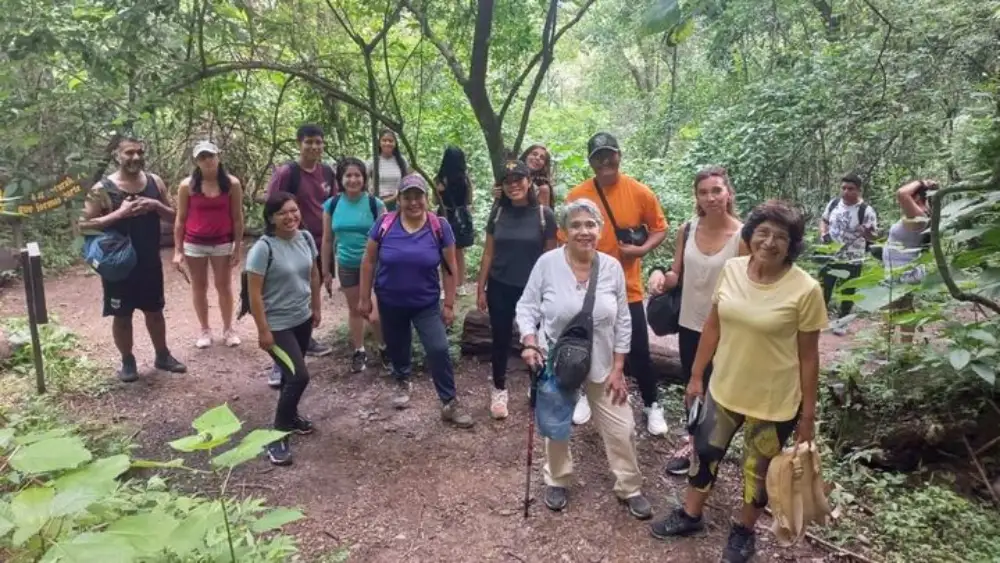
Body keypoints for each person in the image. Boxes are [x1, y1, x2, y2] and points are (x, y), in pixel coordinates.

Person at [649, 201, 827, 563]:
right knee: (705, 452)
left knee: (759, 471)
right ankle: (690, 515)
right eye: (763, 232)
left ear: (792, 245)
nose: (770, 242)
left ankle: (744, 532)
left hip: (775, 399)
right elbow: (713, 325)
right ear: (750, 235)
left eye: (781, 236)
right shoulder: (731, 269)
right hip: (724, 387)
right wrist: (697, 375)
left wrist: (807, 417)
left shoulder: (806, 289)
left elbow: (809, 357)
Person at [516, 198, 653, 520]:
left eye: (590, 224)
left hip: (604, 363)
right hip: (556, 360)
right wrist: (530, 341)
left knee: (623, 428)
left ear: (600, 229)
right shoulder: (547, 264)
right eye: (575, 225)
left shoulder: (612, 267)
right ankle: (557, 478)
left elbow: (622, 319)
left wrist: (620, 367)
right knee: (556, 425)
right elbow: (527, 307)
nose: (583, 231)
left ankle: (629, 486)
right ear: (563, 231)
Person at [562, 132, 669, 436]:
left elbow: (659, 229)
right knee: (586, 342)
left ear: (619, 155)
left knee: (637, 348)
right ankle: (584, 395)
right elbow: (564, 239)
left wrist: (642, 250)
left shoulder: (639, 192)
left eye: (610, 155)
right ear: (591, 162)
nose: (605, 162)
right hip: (587, 284)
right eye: (598, 157)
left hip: (627, 285)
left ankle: (652, 404)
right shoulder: (577, 196)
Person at [647, 166, 749, 476]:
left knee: (719, 386)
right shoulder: (688, 230)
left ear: (728, 193)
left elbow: (747, 284)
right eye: (703, 192)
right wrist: (660, 275)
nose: (711, 197)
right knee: (693, 384)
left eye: (716, 190)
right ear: (697, 197)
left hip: (726, 326)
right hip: (690, 322)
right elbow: (677, 273)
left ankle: (712, 446)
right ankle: (693, 442)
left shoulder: (743, 235)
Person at [358, 174, 474, 428]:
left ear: (426, 198)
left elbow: (450, 267)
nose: (413, 202)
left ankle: (449, 402)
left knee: (438, 348)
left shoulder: (438, 226)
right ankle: (402, 379)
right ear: (398, 199)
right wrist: (365, 298)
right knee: (398, 346)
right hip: (390, 300)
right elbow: (368, 261)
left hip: (426, 302)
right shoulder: (385, 223)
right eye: (407, 197)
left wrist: (449, 303)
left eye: (417, 196)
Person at [79, 136, 187, 382]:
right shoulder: (102, 189)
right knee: (122, 314)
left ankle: (163, 355)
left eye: (139, 152)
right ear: (118, 155)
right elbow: (83, 226)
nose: (135, 157)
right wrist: (120, 213)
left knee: (155, 311)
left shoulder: (154, 182)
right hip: (118, 264)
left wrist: (156, 206)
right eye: (129, 153)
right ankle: (128, 362)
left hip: (150, 262)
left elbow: (176, 217)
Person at [245, 192, 322, 466]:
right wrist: (262, 330)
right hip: (277, 326)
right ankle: (277, 434)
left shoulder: (305, 238)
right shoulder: (263, 248)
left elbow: (313, 273)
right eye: (282, 213)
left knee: (292, 377)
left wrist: (316, 306)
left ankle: (291, 417)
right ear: (271, 218)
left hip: (301, 319)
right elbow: (254, 294)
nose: (290, 217)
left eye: (293, 211)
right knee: (299, 376)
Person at [476, 160, 557, 419]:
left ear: (529, 181)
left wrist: (551, 291)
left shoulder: (545, 215)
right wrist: (481, 288)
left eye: (518, 180)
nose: (514, 186)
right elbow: (488, 253)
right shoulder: (498, 213)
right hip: (500, 285)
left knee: (537, 340)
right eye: (508, 182)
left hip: (533, 290)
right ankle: (499, 388)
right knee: (500, 339)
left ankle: (537, 386)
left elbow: (551, 256)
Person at [264, 124, 335, 386]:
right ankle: (279, 362)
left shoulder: (327, 172)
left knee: (308, 290)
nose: (314, 147)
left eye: (318, 142)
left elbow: (333, 205)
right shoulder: (287, 173)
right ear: (299, 144)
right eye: (309, 142)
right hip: (291, 242)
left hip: (319, 241)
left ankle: (303, 342)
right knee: (286, 294)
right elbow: (273, 205)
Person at [172, 140, 244, 349]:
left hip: (222, 241)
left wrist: (237, 246)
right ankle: (205, 330)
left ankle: (228, 329)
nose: (207, 160)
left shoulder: (232, 184)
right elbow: (181, 218)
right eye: (202, 157)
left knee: (224, 286)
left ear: (218, 156)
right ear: (197, 162)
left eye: (210, 155)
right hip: (194, 242)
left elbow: (237, 217)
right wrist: (178, 250)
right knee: (199, 286)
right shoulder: (188, 186)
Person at [321, 157, 387, 373]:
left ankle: (384, 346)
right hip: (347, 264)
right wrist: (326, 270)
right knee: (355, 310)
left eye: (357, 175)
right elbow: (327, 239)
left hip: (374, 265)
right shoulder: (332, 204)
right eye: (348, 175)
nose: (353, 179)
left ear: (364, 178)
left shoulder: (374, 204)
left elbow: (387, 238)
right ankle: (359, 350)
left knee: (374, 314)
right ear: (341, 178)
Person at [818, 172, 877, 336]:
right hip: (831, 255)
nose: (846, 192)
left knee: (847, 291)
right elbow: (824, 220)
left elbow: (873, 236)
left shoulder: (866, 210)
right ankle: (819, 320)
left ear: (858, 190)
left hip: (853, 258)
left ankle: (841, 323)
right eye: (843, 188)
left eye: (850, 188)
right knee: (824, 287)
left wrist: (866, 233)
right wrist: (824, 234)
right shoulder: (834, 203)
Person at [882, 179, 933, 344]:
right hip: (902, 269)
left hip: (902, 272)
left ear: (916, 198)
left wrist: (922, 182)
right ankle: (902, 348)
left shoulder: (919, 215)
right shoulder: (920, 214)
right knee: (904, 310)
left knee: (893, 311)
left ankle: (895, 349)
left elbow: (901, 193)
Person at [433, 146, 475, 294]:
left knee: (445, 251)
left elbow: (435, 200)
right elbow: (469, 200)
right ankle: (460, 285)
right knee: (459, 252)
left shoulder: (439, 179)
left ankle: (446, 286)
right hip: (461, 217)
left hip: (445, 216)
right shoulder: (465, 178)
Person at [368, 128, 408, 212]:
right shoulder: (373, 161)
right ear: (379, 143)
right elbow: (364, 181)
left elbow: (406, 180)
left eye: (390, 141)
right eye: (384, 140)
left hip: (396, 203)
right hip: (377, 202)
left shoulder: (401, 161)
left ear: (395, 143)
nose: (387, 143)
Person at [521, 143, 555, 208]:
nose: (537, 158)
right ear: (526, 155)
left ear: (544, 165)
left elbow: (544, 215)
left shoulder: (542, 187)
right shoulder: (512, 177)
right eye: (534, 154)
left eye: (542, 158)